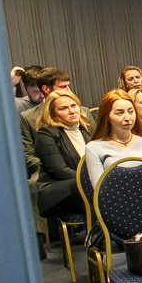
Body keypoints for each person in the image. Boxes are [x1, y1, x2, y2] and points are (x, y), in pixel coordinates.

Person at [33, 88, 92, 219]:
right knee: (94, 187)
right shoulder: (46, 134)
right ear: (53, 114)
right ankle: (97, 234)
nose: (71, 111)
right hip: (60, 191)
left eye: (74, 105)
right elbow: (60, 170)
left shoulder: (85, 132)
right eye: (63, 108)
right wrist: (93, 180)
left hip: (85, 186)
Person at [84, 89, 142, 184]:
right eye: (119, 113)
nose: (128, 118)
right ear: (107, 117)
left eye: (131, 111)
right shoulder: (94, 148)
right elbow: (100, 191)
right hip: (112, 197)